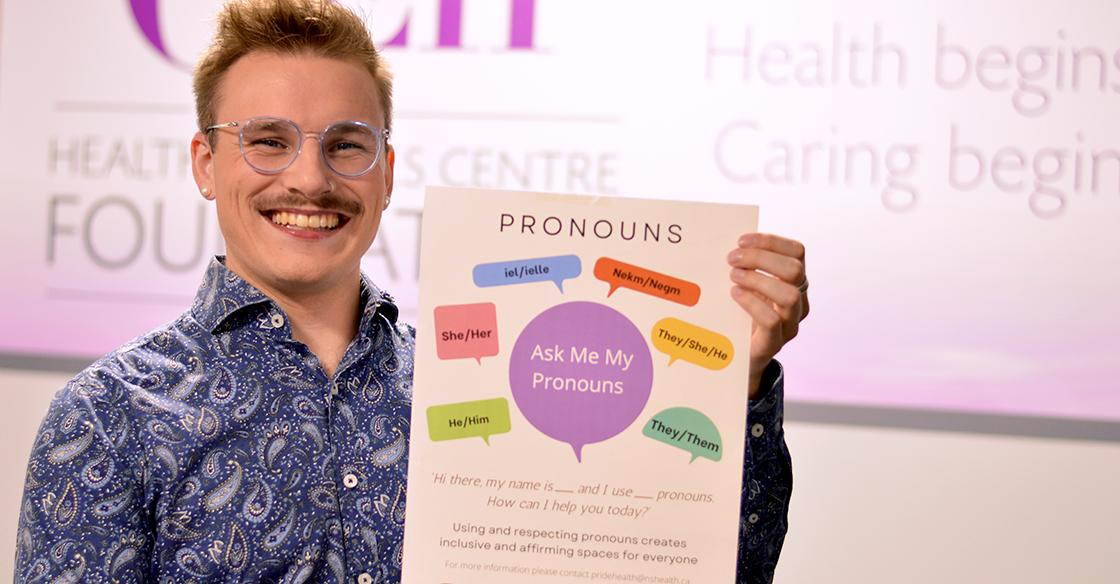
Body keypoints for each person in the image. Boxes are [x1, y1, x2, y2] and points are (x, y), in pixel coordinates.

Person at [14, 1, 808, 582]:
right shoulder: (108, 418)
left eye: (347, 145)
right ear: (204, 163)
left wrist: (732, 381)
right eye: (267, 141)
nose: (309, 178)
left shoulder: (488, 386)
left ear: (387, 173)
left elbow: (706, 568)